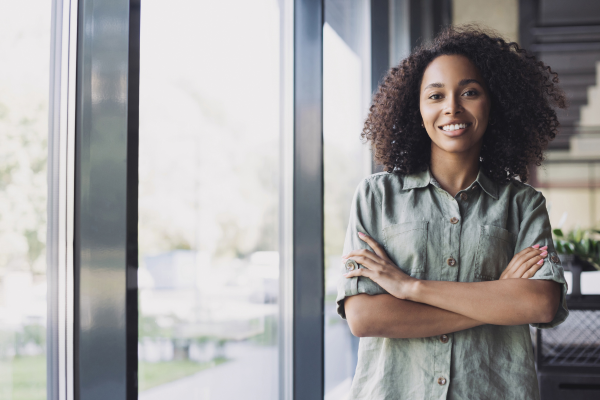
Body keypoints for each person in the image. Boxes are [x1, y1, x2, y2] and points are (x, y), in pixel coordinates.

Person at [336, 25, 569, 400]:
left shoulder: (523, 204)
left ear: (494, 103)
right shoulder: (376, 197)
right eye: (436, 95)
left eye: (470, 93)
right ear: (418, 108)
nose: (452, 108)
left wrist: (411, 289)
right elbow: (365, 317)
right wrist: (497, 300)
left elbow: (540, 303)